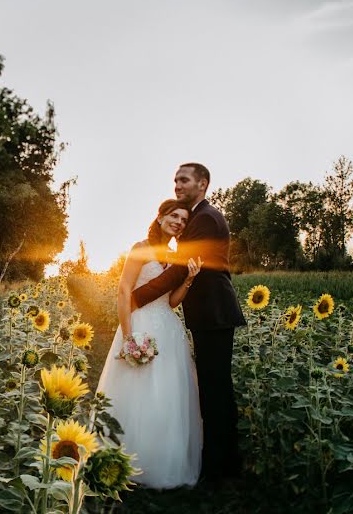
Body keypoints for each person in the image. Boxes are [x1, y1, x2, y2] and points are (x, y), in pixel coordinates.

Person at [131, 163, 246, 484]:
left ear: (203, 183)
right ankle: (224, 464)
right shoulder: (198, 217)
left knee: (215, 390)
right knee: (214, 388)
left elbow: (180, 268)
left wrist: (137, 298)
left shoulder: (206, 219)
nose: (177, 185)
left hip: (214, 313)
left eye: (184, 180)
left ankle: (221, 469)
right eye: (175, 180)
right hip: (210, 314)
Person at [96, 199, 204, 488]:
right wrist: (128, 336)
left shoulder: (174, 257)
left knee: (167, 396)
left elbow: (171, 301)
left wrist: (190, 279)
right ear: (160, 217)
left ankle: (161, 460)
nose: (179, 222)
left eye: (183, 219)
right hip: (139, 325)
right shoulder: (141, 248)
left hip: (167, 328)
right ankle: (124, 459)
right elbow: (124, 290)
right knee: (136, 392)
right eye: (174, 216)